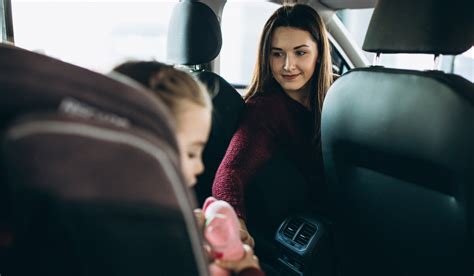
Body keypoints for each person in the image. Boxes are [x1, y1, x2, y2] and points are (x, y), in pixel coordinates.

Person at [112, 61, 264, 276]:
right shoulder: (145, 245)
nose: (200, 166)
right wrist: (245, 269)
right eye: (191, 153)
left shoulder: (133, 220)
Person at [212, 4, 334, 239]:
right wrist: (235, 226)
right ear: (266, 56)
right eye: (277, 53)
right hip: (310, 233)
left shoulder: (341, 93)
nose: (288, 65)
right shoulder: (265, 109)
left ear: (319, 54)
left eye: (300, 52)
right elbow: (229, 174)